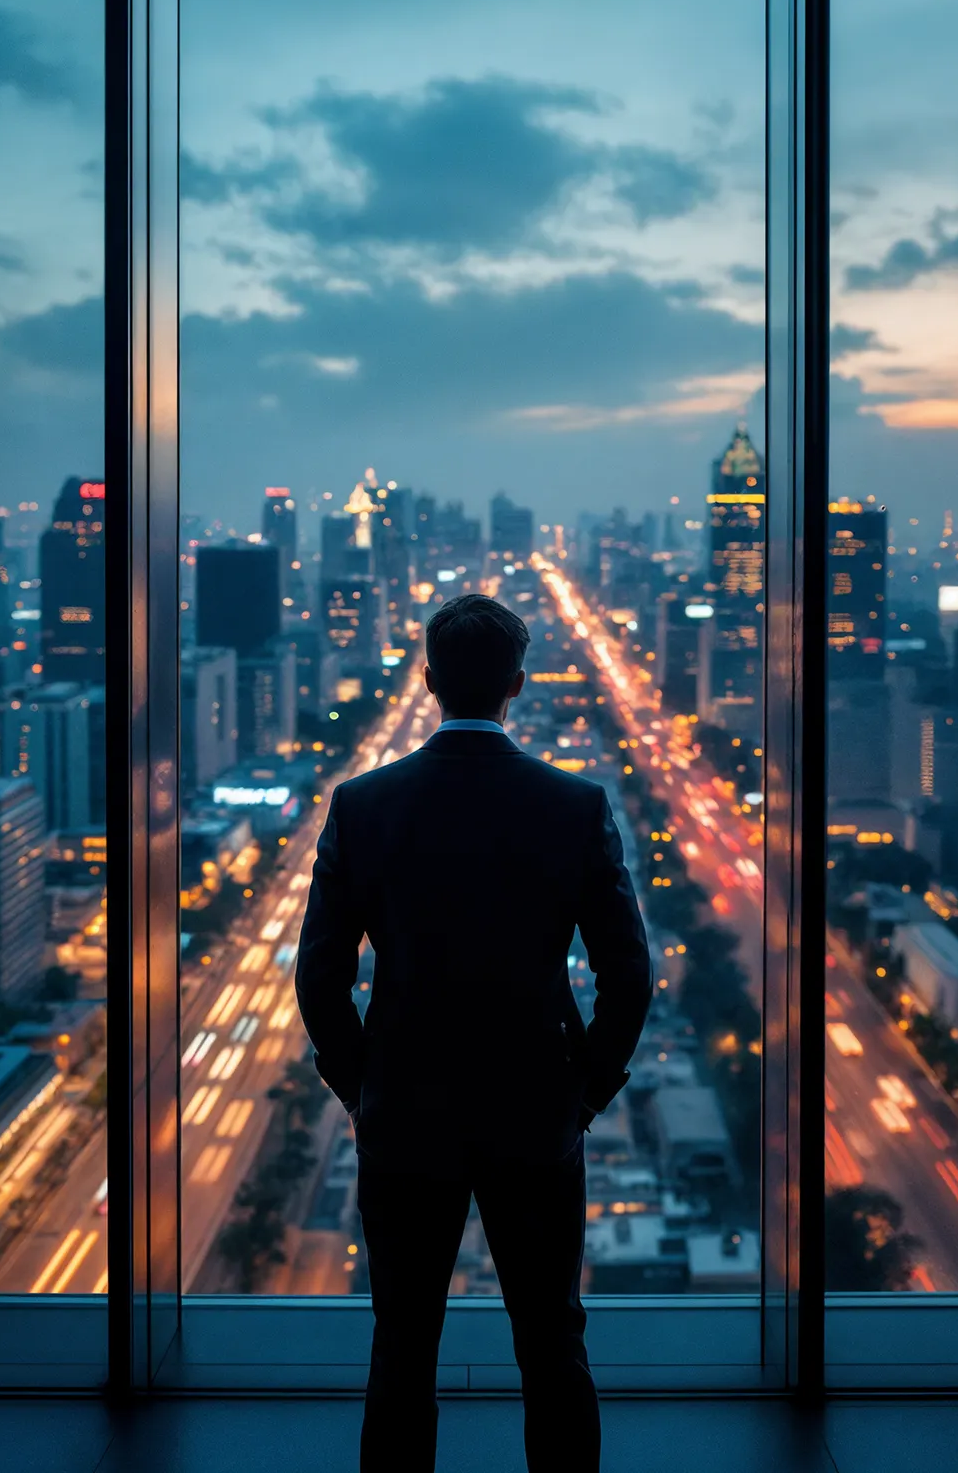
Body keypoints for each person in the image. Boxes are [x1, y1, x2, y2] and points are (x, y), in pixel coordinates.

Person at [296, 592, 653, 1472]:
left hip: (407, 1115)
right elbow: (629, 973)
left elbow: (319, 977)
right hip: (535, 1112)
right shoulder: (573, 806)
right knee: (551, 1347)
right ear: (518, 686)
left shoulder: (363, 804)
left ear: (427, 681)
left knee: (403, 1346)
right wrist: (587, 1088)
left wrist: (360, 1086)